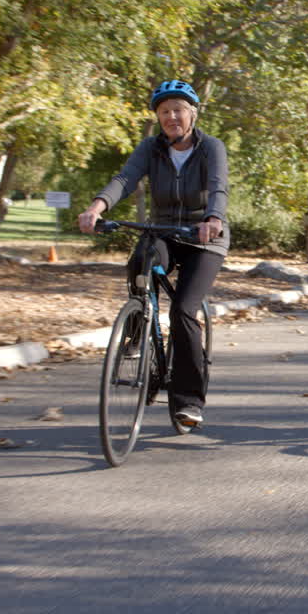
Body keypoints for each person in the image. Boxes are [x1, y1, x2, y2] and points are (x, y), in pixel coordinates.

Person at [77, 80, 229, 427]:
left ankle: (188, 402)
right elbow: (125, 179)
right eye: (164, 112)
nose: (171, 116)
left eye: (178, 110)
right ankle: (136, 329)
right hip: (163, 230)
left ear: (192, 113)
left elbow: (219, 186)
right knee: (140, 262)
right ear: (158, 117)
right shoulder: (151, 147)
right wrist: (96, 207)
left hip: (204, 236)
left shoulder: (211, 147)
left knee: (183, 311)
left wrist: (213, 218)